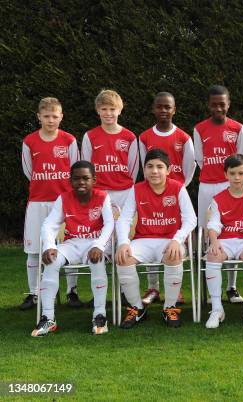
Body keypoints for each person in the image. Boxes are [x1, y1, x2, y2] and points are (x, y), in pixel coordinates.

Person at [115, 149, 197, 328]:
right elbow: (124, 219)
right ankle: (137, 308)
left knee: (173, 255)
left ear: (168, 170)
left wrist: (177, 239)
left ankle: (170, 307)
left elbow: (191, 219)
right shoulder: (136, 189)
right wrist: (123, 243)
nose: (154, 171)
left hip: (170, 239)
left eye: (160, 167)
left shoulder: (178, 187)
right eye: (150, 167)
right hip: (143, 239)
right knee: (123, 258)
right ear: (144, 170)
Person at [31, 161, 114, 336]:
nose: (81, 182)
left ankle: (100, 314)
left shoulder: (103, 197)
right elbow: (49, 224)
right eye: (76, 179)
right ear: (70, 181)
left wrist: (99, 245)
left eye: (86, 178)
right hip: (72, 243)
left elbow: (109, 224)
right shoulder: (63, 198)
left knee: (96, 260)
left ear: (94, 180)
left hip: (94, 243)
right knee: (51, 262)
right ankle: (48, 317)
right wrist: (49, 246)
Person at [21, 97, 79, 310]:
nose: (51, 120)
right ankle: (33, 293)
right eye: (46, 116)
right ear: (39, 117)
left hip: (64, 203)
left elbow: (75, 172)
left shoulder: (69, 140)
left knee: (68, 247)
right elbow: (29, 172)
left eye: (55, 116)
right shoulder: (29, 141)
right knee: (34, 250)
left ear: (61, 116)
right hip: (37, 202)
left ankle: (72, 291)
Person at [139, 92, 196, 306]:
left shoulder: (183, 137)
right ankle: (153, 288)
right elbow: (141, 166)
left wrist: (178, 188)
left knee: (175, 241)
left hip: (175, 194)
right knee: (150, 234)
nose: (163, 111)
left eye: (168, 107)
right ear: (153, 109)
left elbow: (190, 167)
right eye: (159, 107)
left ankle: (176, 290)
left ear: (174, 110)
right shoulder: (144, 137)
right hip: (151, 193)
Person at [194, 85, 243, 304]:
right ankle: (209, 288)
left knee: (232, 234)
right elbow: (199, 159)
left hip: (230, 186)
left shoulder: (237, 128)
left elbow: (241, 158)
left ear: (228, 104)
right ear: (208, 105)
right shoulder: (199, 129)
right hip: (207, 186)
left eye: (222, 104)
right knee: (208, 234)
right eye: (214, 104)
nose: (218, 108)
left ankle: (231, 287)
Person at [205, 155, 243, 328]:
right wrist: (214, 242)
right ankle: (217, 309)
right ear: (226, 174)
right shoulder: (218, 198)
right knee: (213, 255)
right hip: (225, 240)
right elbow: (214, 223)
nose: (237, 177)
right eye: (232, 173)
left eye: (241, 173)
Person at [81, 89, 139, 211]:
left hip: (124, 192)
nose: (108, 113)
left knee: (124, 228)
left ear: (119, 110)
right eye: (104, 109)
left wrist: (124, 185)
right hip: (99, 191)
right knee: (100, 228)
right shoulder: (89, 136)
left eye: (112, 109)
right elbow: (86, 166)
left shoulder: (129, 137)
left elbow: (133, 168)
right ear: (98, 110)